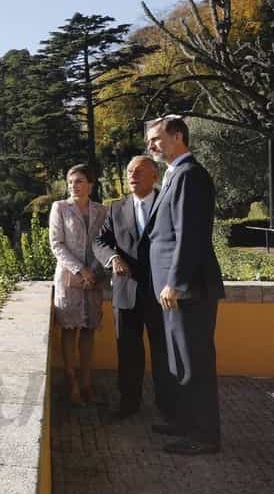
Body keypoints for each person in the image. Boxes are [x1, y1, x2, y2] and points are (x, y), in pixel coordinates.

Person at [144, 115, 224, 455]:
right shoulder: (175, 175)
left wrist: (175, 282)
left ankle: (205, 436)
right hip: (175, 292)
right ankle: (184, 422)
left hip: (187, 290)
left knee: (195, 363)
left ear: (178, 136)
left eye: (156, 138)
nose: (151, 146)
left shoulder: (190, 176)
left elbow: (189, 236)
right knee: (179, 360)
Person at [93, 156, 175, 421]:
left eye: (139, 171)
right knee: (128, 351)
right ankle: (129, 402)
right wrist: (113, 258)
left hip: (161, 292)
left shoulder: (168, 202)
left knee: (163, 351)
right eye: (129, 171)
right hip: (126, 291)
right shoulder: (116, 208)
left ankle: (167, 405)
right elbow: (100, 241)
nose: (132, 175)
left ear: (154, 175)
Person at [50, 164, 110, 406]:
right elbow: (57, 245)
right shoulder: (60, 208)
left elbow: (105, 242)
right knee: (69, 330)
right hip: (69, 278)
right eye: (71, 181)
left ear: (91, 185)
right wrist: (80, 270)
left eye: (79, 181)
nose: (74, 185)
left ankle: (87, 382)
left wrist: (94, 272)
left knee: (88, 330)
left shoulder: (102, 211)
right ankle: (71, 382)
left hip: (94, 279)